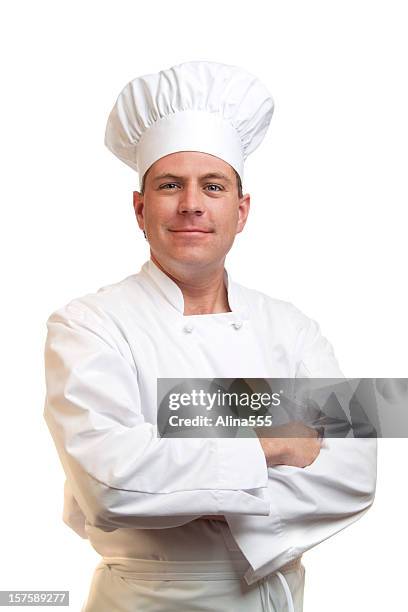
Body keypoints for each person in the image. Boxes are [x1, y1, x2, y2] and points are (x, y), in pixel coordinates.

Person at [43, 61, 377, 612]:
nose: (191, 204)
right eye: (170, 185)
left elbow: (357, 472)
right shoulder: (86, 325)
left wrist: (179, 476)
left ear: (240, 211)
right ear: (140, 208)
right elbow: (110, 486)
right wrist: (273, 442)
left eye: (213, 186)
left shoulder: (293, 326)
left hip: (277, 596)